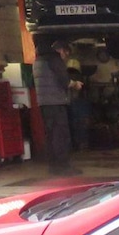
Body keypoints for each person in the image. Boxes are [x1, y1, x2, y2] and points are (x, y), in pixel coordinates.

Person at [33, 37, 79, 175]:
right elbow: (64, 81)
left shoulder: (38, 60)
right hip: (56, 102)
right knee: (61, 135)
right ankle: (63, 167)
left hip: (44, 103)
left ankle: (54, 167)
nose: (65, 57)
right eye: (66, 53)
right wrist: (75, 84)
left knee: (51, 135)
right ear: (61, 50)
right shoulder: (54, 59)